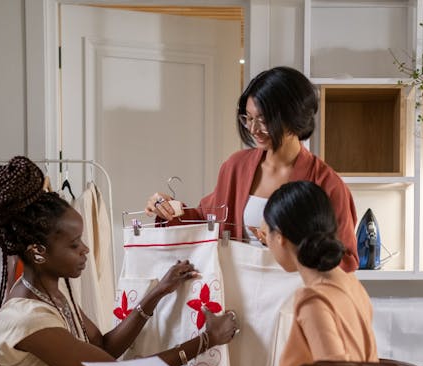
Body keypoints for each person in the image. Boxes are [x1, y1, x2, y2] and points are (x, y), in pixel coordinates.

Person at [0, 156, 240, 366]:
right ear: (38, 252)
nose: (84, 250)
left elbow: (104, 348)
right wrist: (207, 339)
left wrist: (158, 291)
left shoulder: (52, 294)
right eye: (74, 245)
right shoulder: (28, 316)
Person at [184, 181, 377, 366]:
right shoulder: (349, 283)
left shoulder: (315, 301)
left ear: (281, 238)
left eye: (266, 234)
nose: (264, 242)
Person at [145, 66, 360, 272]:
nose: (253, 129)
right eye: (247, 118)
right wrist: (169, 210)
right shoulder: (236, 167)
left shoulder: (327, 184)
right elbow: (204, 218)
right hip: (239, 295)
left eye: (263, 120)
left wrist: (288, 246)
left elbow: (346, 261)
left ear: (294, 117)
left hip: (293, 300)